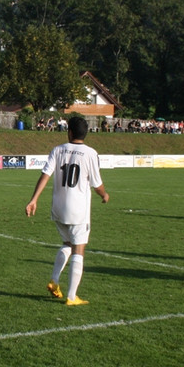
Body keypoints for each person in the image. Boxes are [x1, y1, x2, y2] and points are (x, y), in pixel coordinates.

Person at [25, 116, 110, 306]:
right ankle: (72, 297)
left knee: (67, 244)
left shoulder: (58, 150)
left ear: (69, 132)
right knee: (78, 249)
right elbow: (97, 184)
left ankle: (54, 280)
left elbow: (45, 174)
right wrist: (104, 195)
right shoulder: (90, 153)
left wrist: (34, 199)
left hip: (58, 208)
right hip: (78, 210)